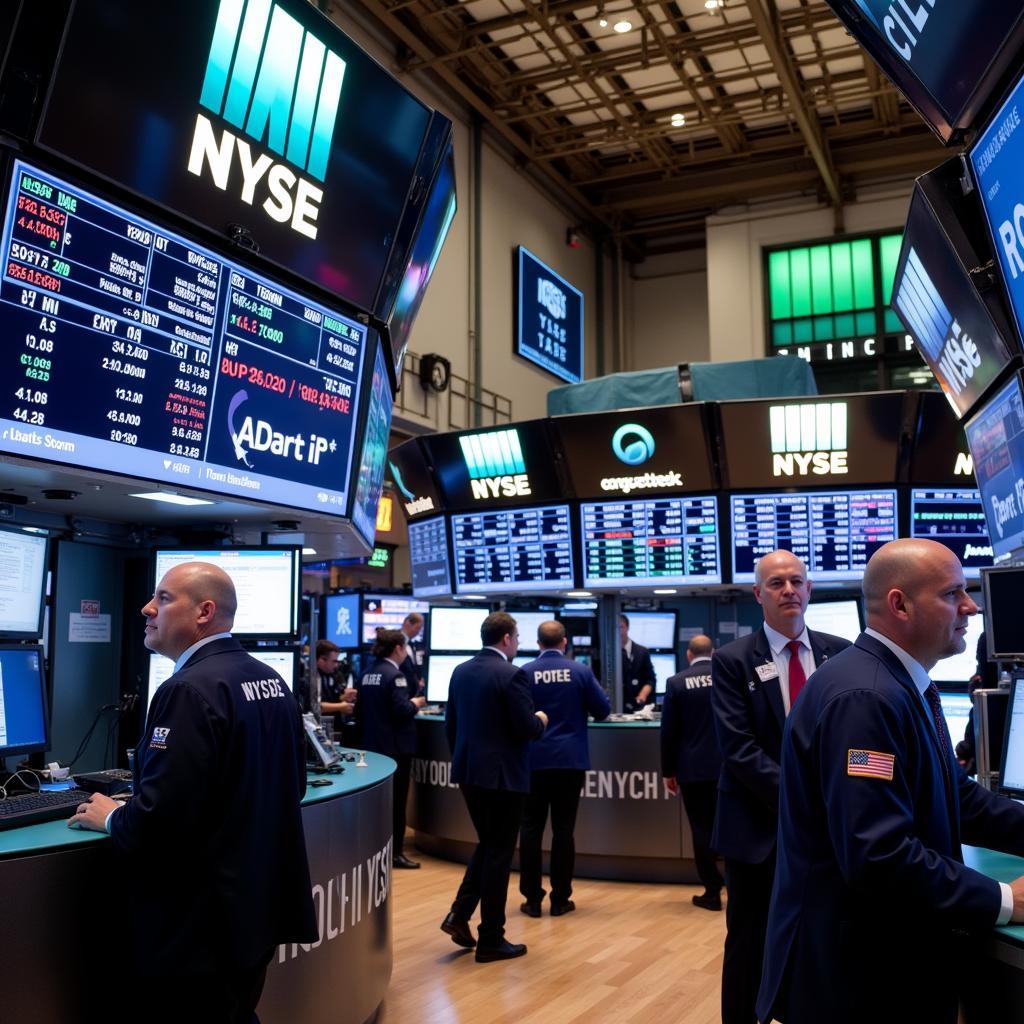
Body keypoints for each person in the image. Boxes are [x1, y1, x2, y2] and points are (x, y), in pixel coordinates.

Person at [758, 539, 1024, 1024]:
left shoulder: (899, 683)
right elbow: (878, 856)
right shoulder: (866, 698)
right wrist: (1005, 899)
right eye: (953, 594)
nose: (971, 607)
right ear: (900, 604)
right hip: (858, 981)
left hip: (876, 964)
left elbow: (953, 794)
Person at [69, 562, 316, 1023]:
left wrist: (111, 816)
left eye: (163, 598)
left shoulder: (187, 689)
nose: (148, 608)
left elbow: (160, 822)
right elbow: (292, 785)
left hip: (198, 928)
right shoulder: (270, 680)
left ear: (204, 612)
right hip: (252, 915)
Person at [711, 548, 850, 1024]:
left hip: (827, 834)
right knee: (749, 943)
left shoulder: (840, 652)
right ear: (758, 594)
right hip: (759, 831)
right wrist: (805, 801)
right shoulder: (732, 661)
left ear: (810, 589)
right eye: (776, 583)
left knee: (820, 938)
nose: (788, 589)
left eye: (796, 581)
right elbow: (739, 750)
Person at [441, 611, 548, 962]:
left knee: (489, 845)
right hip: (504, 778)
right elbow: (525, 728)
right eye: (517, 638)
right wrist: (541, 720)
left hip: (470, 773)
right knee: (500, 853)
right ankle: (491, 938)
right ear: (506, 638)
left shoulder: (460, 671)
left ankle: (459, 913)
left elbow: (451, 727)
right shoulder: (512, 674)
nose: (518, 644)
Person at [518, 620, 610, 917]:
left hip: (533, 760)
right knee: (563, 830)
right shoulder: (580, 671)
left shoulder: (524, 672)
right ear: (565, 642)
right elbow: (603, 710)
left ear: (538, 643)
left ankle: (532, 899)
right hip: (570, 762)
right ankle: (560, 899)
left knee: (530, 829)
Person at [661, 634, 724, 911]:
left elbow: (669, 733)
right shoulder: (726, 676)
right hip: (728, 768)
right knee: (731, 825)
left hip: (692, 769)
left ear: (689, 655)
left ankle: (711, 892)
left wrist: (668, 771)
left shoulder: (676, 683)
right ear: (714, 653)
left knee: (701, 829)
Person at [358, 628, 426, 869]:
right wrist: (415, 703)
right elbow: (402, 710)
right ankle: (396, 853)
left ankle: (377, 851)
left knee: (379, 805)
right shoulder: (395, 675)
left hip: (373, 747)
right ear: (398, 648)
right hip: (396, 748)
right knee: (397, 803)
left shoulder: (367, 672)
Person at [620, 613, 656, 711]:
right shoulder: (608, 655)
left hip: (639, 707)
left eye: (621, 627)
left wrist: (642, 695)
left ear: (627, 628)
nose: (619, 631)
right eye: (615, 628)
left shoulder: (642, 652)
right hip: (617, 706)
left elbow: (651, 679)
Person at [316, 638, 357, 718]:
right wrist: (340, 706)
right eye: (334, 661)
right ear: (321, 660)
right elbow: (315, 706)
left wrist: (343, 697)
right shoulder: (310, 677)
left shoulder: (333, 675)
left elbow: (330, 699)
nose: (336, 665)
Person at [397, 612, 426, 695]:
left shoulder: (412, 644)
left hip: (412, 691)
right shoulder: (396, 641)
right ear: (408, 623)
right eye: (418, 628)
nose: (418, 632)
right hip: (400, 690)